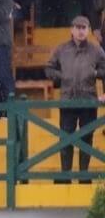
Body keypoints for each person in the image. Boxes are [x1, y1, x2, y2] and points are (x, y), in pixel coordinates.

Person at [44, 16, 105, 177]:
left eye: (84, 28)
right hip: (67, 100)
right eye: (77, 27)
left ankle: (84, 177)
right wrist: (62, 76)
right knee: (66, 139)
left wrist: (96, 73)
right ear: (71, 30)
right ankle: (66, 177)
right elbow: (49, 69)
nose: (80, 31)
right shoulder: (61, 49)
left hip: (88, 101)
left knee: (87, 139)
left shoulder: (96, 50)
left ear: (88, 30)